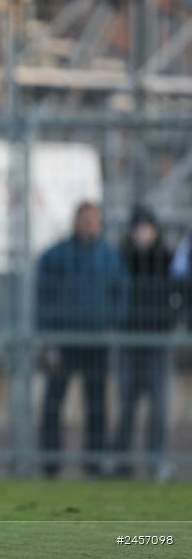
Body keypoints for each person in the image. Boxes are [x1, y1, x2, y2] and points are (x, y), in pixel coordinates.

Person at [37, 201, 127, 478]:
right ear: (76, 222)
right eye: (84, 219)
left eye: (93, 219)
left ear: (99, 223)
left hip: (96, 341)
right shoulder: (57, 255)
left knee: (98, 404)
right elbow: (43, 293)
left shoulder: (110, 256)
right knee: (53, 402)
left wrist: (113, 322)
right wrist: (48, 329)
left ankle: (95, 461)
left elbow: (121, 294)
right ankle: (50, 463)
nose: (89, 224)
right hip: (64, 338)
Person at [114, 206, 173, 481]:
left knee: (159, 406)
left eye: (146, 226)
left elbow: (180, 292)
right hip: (129, 340)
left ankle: (157, 459)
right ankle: (122, 458)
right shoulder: (122, 257)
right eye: (138, 226)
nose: (142, 232)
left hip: (158, 341)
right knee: (126, 403)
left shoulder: (168, 259)